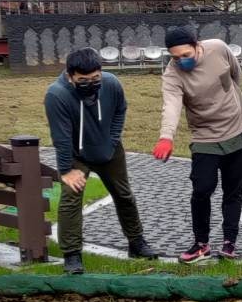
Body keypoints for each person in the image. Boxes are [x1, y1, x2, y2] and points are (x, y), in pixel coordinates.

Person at [43, 48, 158, 274]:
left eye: (95, 78)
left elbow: (120, 111)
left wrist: (112, 140)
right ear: (70, 75)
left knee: (124, 195)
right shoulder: (56, 95)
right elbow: (61, 138)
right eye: (83, 80)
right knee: (70, 200)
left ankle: (136, 243)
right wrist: (66, 170)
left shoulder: (111, 84)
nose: (91, 83)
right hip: (77, 154)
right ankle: (72, 254)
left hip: (109, 150)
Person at [153, 25, 242, 262]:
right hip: (205, 135)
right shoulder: (173, 74)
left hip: (238, 129)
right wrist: (166, 137)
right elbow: (171, 105)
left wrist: (233, 102)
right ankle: (201, 244)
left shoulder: (218, 49)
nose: (181, 61)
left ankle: (230, 241)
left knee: (233, 190)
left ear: (197, 46)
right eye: (175, 58)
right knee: (202, 189)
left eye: (186, 56)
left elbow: (235, 75)